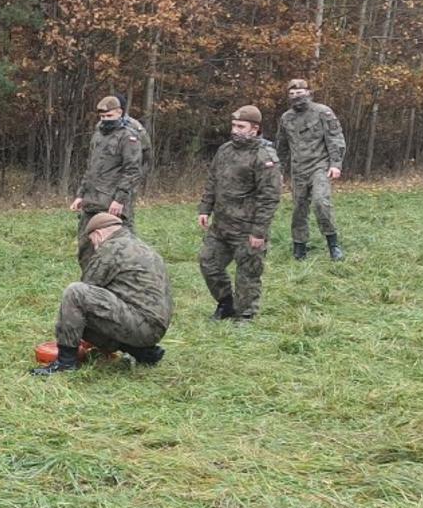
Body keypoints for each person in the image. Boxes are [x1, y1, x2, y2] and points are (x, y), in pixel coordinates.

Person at [32, 212, 172, 375]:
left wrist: (64, 333)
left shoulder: (111, 248)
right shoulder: (139, 245)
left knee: (75, 293)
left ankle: (65, 364)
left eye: (93, 241)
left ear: (98, 233)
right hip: (154, 326)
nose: (95, 246)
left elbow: (85, 291)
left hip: (141, 324)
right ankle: (142, 352)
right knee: (87, 317)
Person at [199, 105, 282, 322]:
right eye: (234, 125)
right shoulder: (225, 150)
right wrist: (205, 208)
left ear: (254, 129)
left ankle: (245, 315)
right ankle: (226, 304)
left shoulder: (264, 156)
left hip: (247, 229)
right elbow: (212, 180)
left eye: (241, 126)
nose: (235, 130)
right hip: (221, 225)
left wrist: (259, 231)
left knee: (248, 274)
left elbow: (269, 197)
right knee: (208, 263)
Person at [276, 78, 347, 261]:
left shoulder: (323, 112)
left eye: (299, 93)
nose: (296, 97)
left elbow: (335, 138)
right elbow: (281, 147)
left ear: (308, 92)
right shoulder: (286, 118)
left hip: (320, 166)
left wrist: (335, 164)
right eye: (292, 94)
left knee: (320, 202)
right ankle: (299, 247)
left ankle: (333, 244)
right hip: (298, 169)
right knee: (299, 209)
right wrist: (277, 171)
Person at [70, 96, 144, 258]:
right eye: (102, 117)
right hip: (91, 201)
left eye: (109, 116)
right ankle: (90, 281)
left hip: (112, 204)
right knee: (86, 247)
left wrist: (119, 199)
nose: (105, 120)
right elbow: (91, 168)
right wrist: (80, 195)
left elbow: (132, 170)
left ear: (119, 113)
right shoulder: (98, 136)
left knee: (118, 251)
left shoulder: (128, 137)